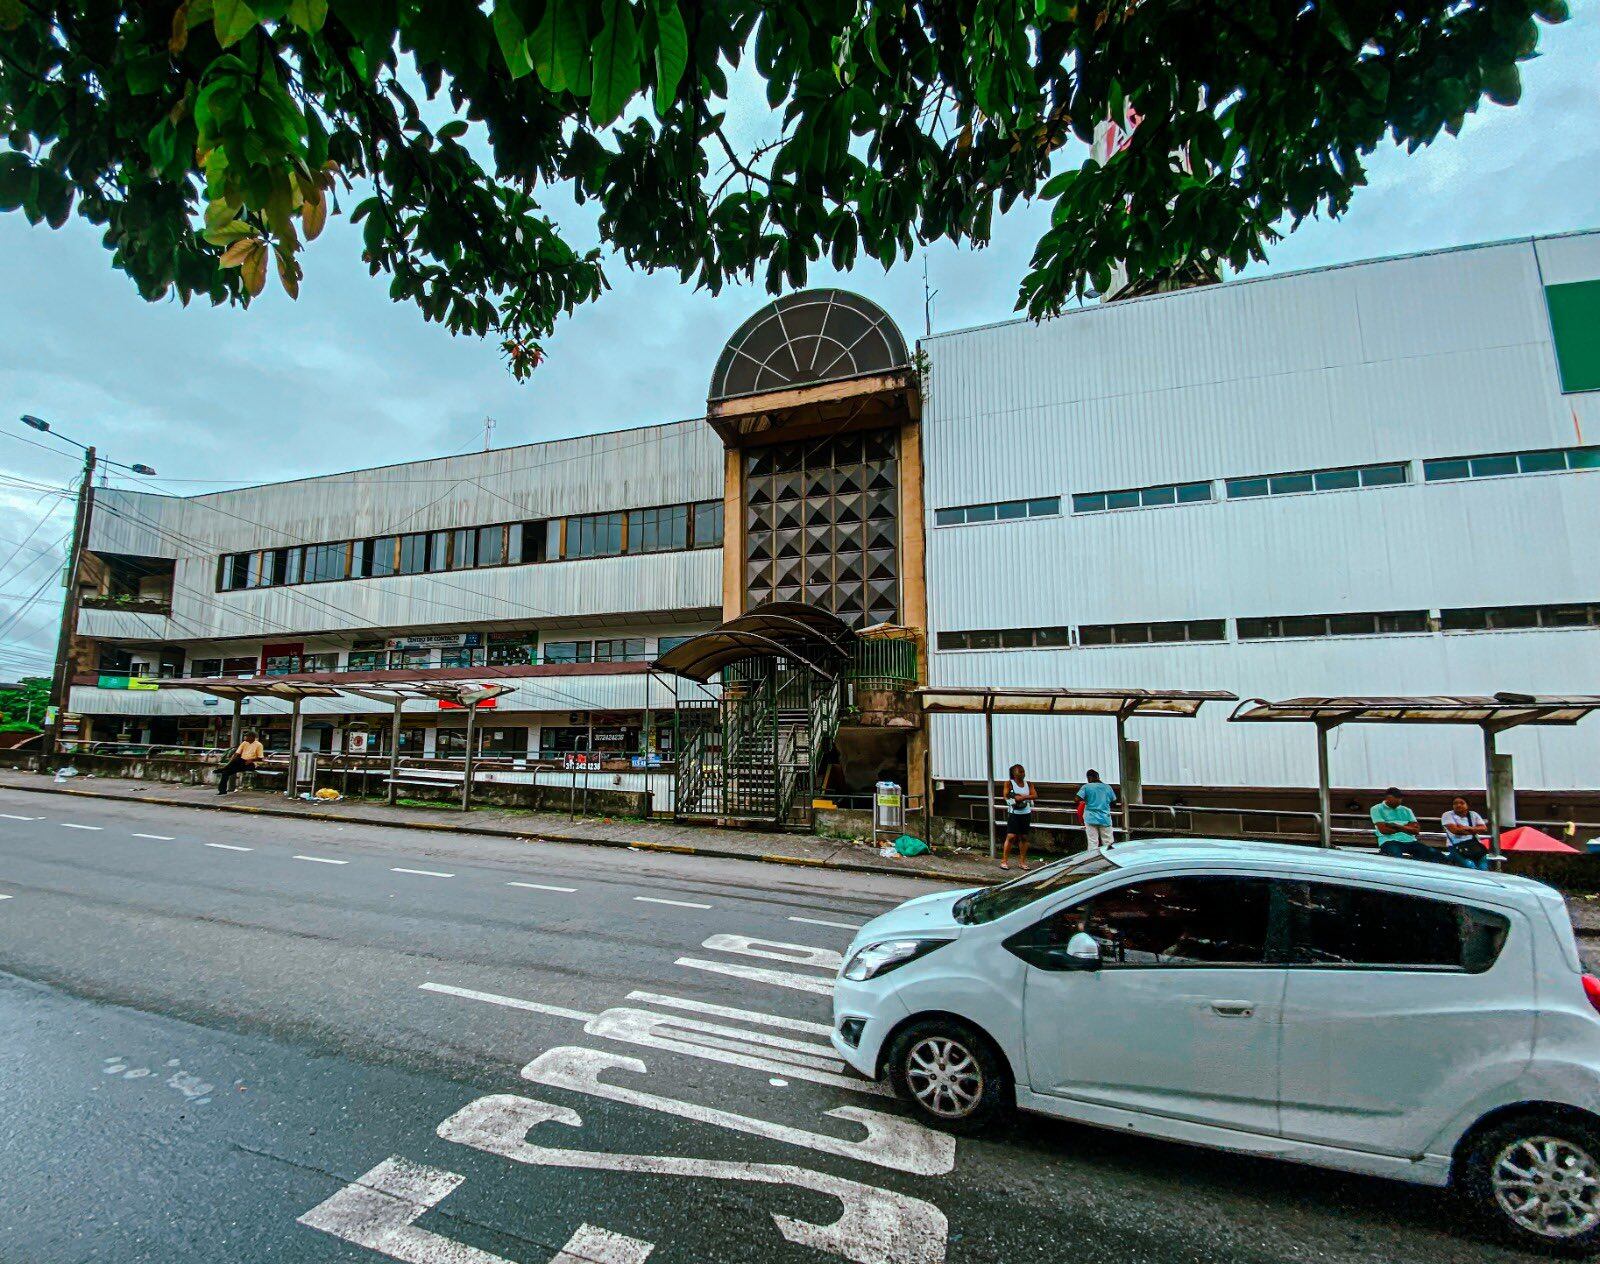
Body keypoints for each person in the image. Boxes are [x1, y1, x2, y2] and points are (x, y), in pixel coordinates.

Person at [1371, 787, 1431, 860]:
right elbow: (1384, 830)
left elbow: (1416, 831)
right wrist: (1407, 827)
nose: (1397, 804)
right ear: (1387, 798)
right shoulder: (1376, 809)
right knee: (1396, 857)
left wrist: (1396, 826)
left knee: (1433, 854)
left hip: (1410, 841)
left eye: (1399, 801)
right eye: (1394, 801)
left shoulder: (1406, 810)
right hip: (1388, 841)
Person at [998, 763, 1035, 871]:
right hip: (1014, 813)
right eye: (1020, 772)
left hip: (1026, 812)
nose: (1023, 774)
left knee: (1024, 837)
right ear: (1014, 773)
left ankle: (1022, 862)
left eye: (1023, 771)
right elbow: (1005, 796)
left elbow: (1035, 795)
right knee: (1011, 836)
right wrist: (1014, 799)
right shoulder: (1009, 783)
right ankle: (1004, 861)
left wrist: (1023, 797)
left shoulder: (1029, 784)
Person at [1441, 796, 1492, 869]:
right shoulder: (1447, 815)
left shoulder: (1473, 814)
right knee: (1470, 866)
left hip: (1474, 844)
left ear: (1467, 805)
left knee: (1483, 867)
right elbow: (1455, 831)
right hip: (1455, 846)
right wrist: (1474, 831)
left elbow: (1484, 828)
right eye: (1455, 803)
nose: (1458, 805)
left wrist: (1468, 828)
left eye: (1462, 803)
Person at [216, 730, 264, 795]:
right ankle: (222, 791)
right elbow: (237, 753)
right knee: (225, 773)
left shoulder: (259, 745)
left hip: (251, 764)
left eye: (247, 736)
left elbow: (260, 758)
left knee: (237, 760)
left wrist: (251, 760)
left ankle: (223, 768)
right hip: (241, 763)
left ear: (252, 737)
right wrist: (230, 761)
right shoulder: (244, 743)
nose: (245, 738)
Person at [1078, 769, 1117, 849]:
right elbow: (1114, 802)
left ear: (1089, 777)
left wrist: (1087, 799)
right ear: (1098, 777)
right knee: (1108, 841)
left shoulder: (1086, 787)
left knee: (1092, 842)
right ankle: (1108, 855)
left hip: (1090, 817)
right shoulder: (1107, 787)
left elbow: (1076, 799)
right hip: (1105, 817)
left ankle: (1093, 856)